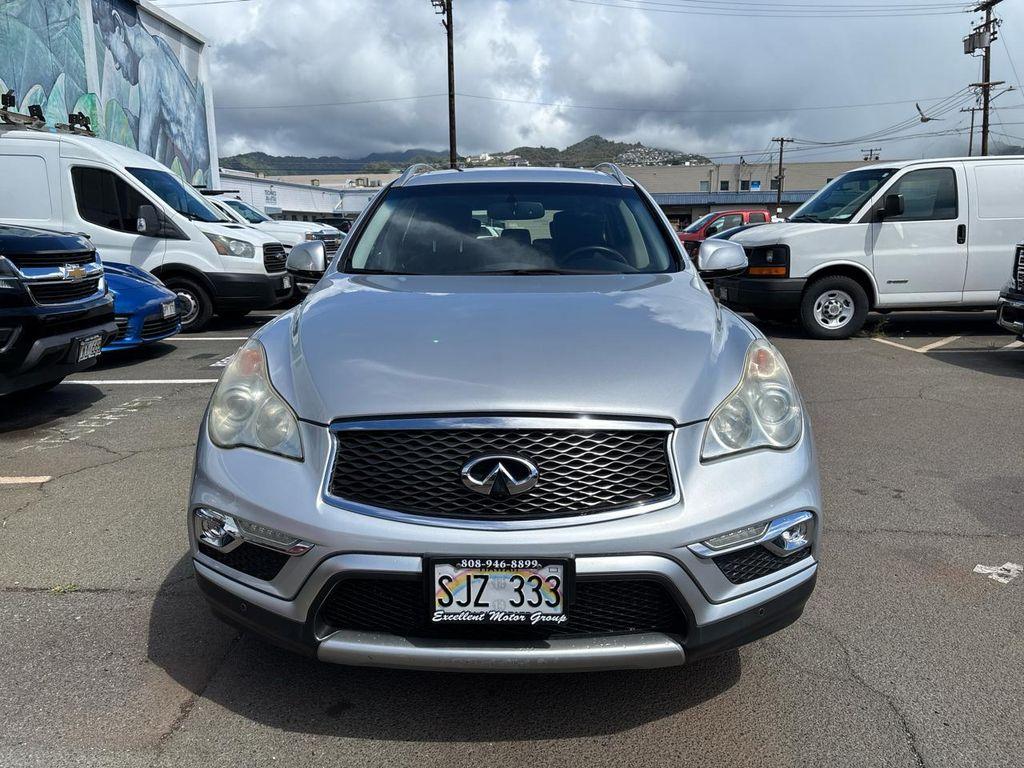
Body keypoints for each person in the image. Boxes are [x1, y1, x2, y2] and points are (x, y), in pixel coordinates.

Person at [91, 0, 210, 179]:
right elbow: (163, 134)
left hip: (195, 167)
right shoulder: (159, 45)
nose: (115, 64)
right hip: (197, 167)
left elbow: (144, 149)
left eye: (110, 47)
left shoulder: (149, 65)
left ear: (118, 26)